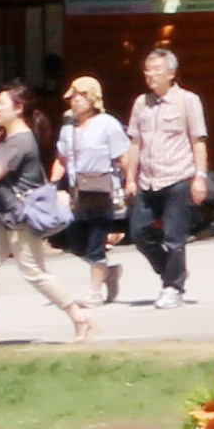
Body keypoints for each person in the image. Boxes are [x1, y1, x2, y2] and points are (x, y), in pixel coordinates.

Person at [0, 83, 93, 346]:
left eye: (2, 104)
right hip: (5, 215)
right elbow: (3, 170)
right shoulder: (9, 139)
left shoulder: (20, 140)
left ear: (18, 109)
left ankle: (80, 316)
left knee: (33, 271)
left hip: (22, 216)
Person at [120, 46, 208, 307]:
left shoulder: (187, 101)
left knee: (174, 237)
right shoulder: (141, 103)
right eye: (147, 70)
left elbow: (198, 141)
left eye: (156, 70)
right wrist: (130, 178)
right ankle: (171, 273)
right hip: (148, 179)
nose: (150, 75)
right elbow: (134, 142)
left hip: (177, 176)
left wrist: (200, 177)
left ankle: (173, 287)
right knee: (138, 233)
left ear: (171, 73)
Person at [50, 74, 132, 299]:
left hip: (101, 190)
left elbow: (123, 157)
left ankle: (95, 291)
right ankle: (108, 273)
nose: (75, 100)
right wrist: (52, 185)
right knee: (76, 241)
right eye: (72, 96)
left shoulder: (108, 125)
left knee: (96, 239)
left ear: (93, 98)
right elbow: (62, 159)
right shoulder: (68, 128)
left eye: (81, 96)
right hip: (78, 192)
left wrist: (131, 182)